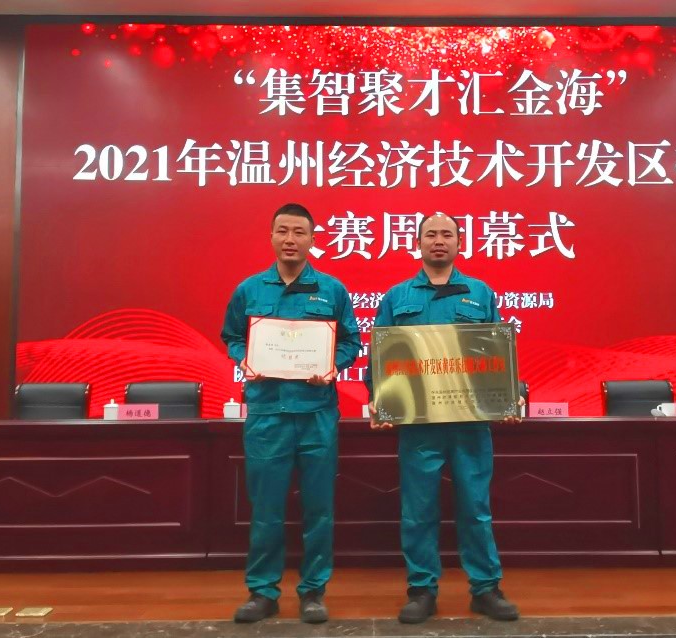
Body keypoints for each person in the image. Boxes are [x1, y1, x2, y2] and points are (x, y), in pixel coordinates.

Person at [366, 212, 521, 624]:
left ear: (458, 243)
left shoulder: (480, 293)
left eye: (447, 234)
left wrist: (511, 396)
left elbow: (498, 354)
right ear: (417, 243)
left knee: (476, 508)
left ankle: (485, 588)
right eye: (431, 234)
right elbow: (380, 357)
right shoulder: (397, 297)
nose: (439, 240)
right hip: (419, 425)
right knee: (418, 509)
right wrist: (378, 400)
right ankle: (421, 589)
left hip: (470, 422)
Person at [221, 203, 362, 624]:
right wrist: (245, 358)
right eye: (282, 231)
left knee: (319, 510)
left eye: (299, 232)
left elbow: (351, 342)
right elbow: (232, 336)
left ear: (312, 239)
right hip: (267, 415)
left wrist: (332, 366)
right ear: (271, 236)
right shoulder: (249, 290)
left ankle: (313, 592)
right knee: (266, 510)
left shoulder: (332, 290)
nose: (290, 239)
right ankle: (262, 592)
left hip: (317, 414)